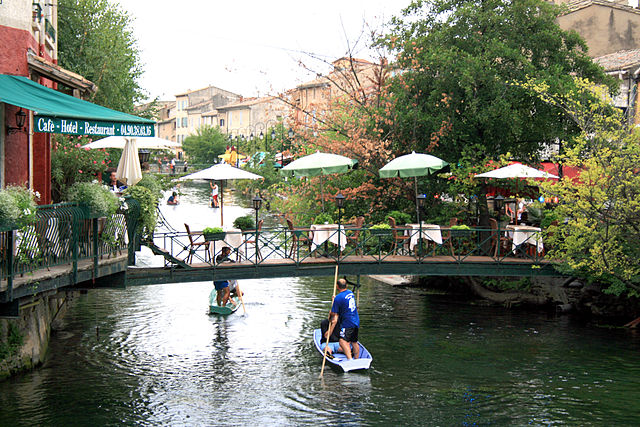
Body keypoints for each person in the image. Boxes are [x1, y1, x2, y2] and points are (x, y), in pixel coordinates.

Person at [327, 278, 360, 360]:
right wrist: (335, 300)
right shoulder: (350, 293)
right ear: (346, 286)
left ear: (337, 286)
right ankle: (356, 359)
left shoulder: (338, 298)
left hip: (347, 323)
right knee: (354, 342)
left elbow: (334, 313)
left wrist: (334, 302)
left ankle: (350, 360)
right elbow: (344, 302)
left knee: (342, 341)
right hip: (356, 321)